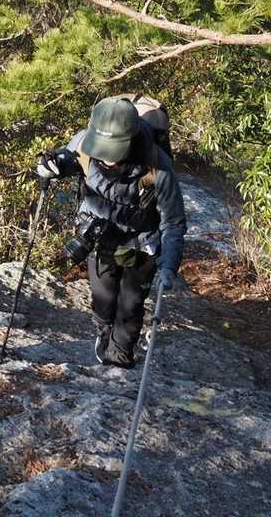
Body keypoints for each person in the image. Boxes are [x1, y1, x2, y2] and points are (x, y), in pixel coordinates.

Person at [36, 94, 188, 368]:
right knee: (103, 302)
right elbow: (69, 159)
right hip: (99, 235)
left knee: (130, 307)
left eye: (113, 152)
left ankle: (120, 360)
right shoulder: (84, 142)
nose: (106, 159)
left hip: (141, 243)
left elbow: (173, 222)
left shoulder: (158, 166)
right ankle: (104, 335)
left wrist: (169, 266)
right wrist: (52, 166)